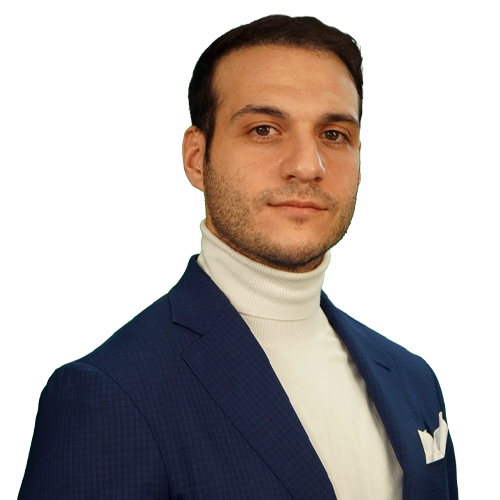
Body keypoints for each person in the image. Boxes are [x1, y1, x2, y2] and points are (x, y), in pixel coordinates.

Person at [18, 15, 458, 500]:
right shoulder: (108, 394)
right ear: (196, 157)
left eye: (333, 134)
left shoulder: (413, 379)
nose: (307, 166)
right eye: (264, 129)